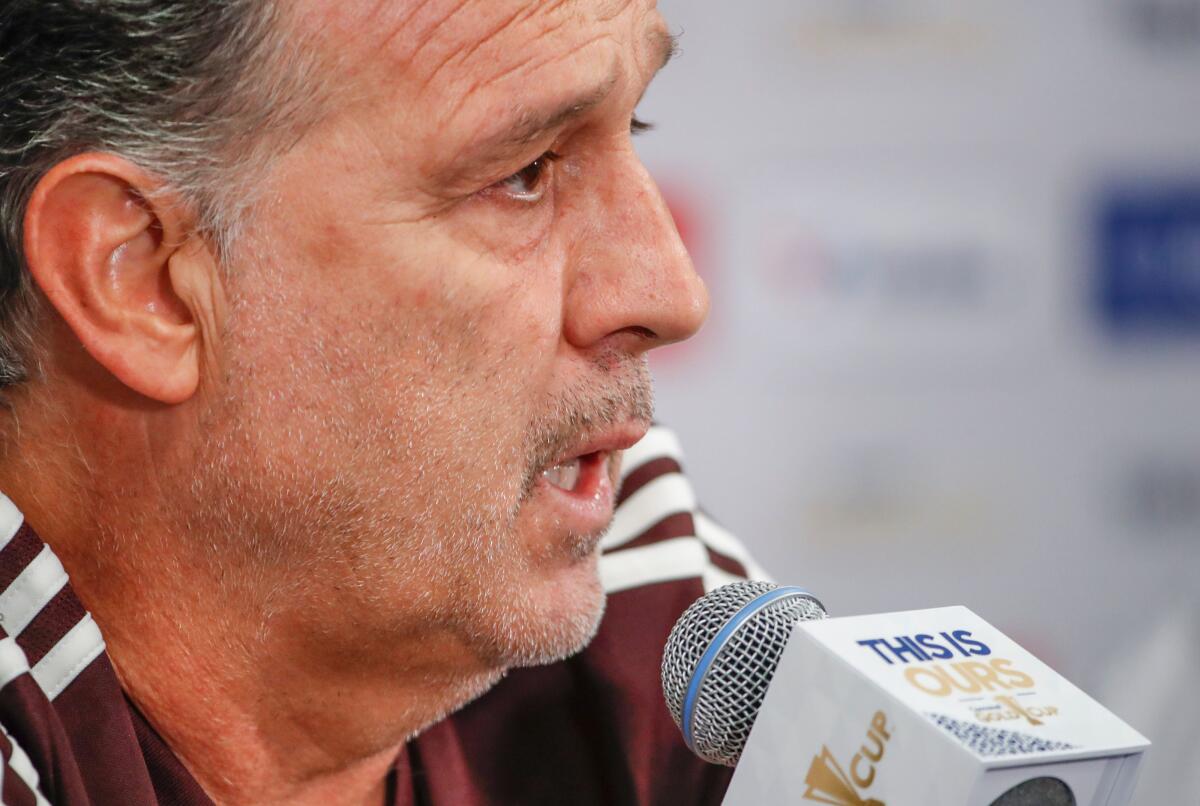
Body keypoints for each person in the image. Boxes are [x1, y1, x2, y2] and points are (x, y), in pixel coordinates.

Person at [0, 1, 764, 804]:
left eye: (634, 125)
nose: (675, 295)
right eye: (526, 172)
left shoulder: (669, 608)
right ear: (145, 278)